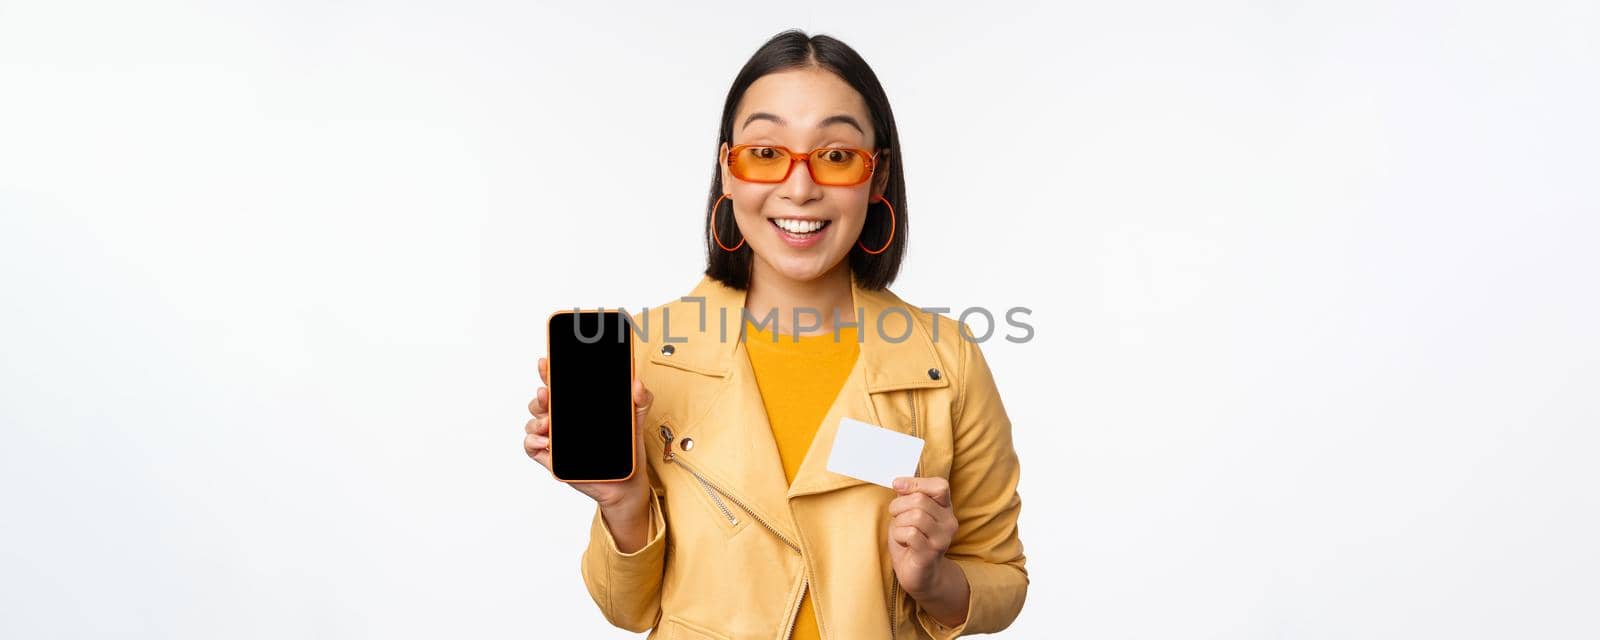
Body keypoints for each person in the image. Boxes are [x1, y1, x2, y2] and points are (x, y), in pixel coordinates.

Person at [523, 29, 1027, 639]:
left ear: (877, 178)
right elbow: (629, 610)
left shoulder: (945, 361)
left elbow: (1002, 576)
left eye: (836, 156)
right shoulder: (646, 354)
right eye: (765, 153)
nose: (799, 187)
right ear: (727, 172)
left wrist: (933, 580)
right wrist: (623, 502)